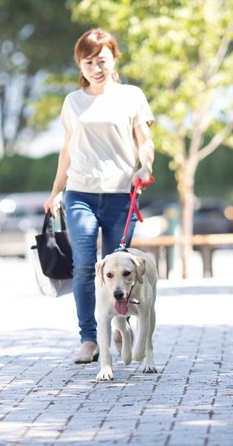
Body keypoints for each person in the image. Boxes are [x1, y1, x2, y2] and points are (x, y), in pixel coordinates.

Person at [44, 28, 155, 363]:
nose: (96, 67)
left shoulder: (131, 96)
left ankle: (120, 327)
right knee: (84, 267)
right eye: (89, 61)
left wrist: (145, 166)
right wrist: (55, 190)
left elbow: (145, 141)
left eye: (102, 60)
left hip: (121, 195)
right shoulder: (72, 102)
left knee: (120, 267)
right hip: (80, 194)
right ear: (80, 65)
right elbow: (67, 150)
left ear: (113, 59)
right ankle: (89, 339)